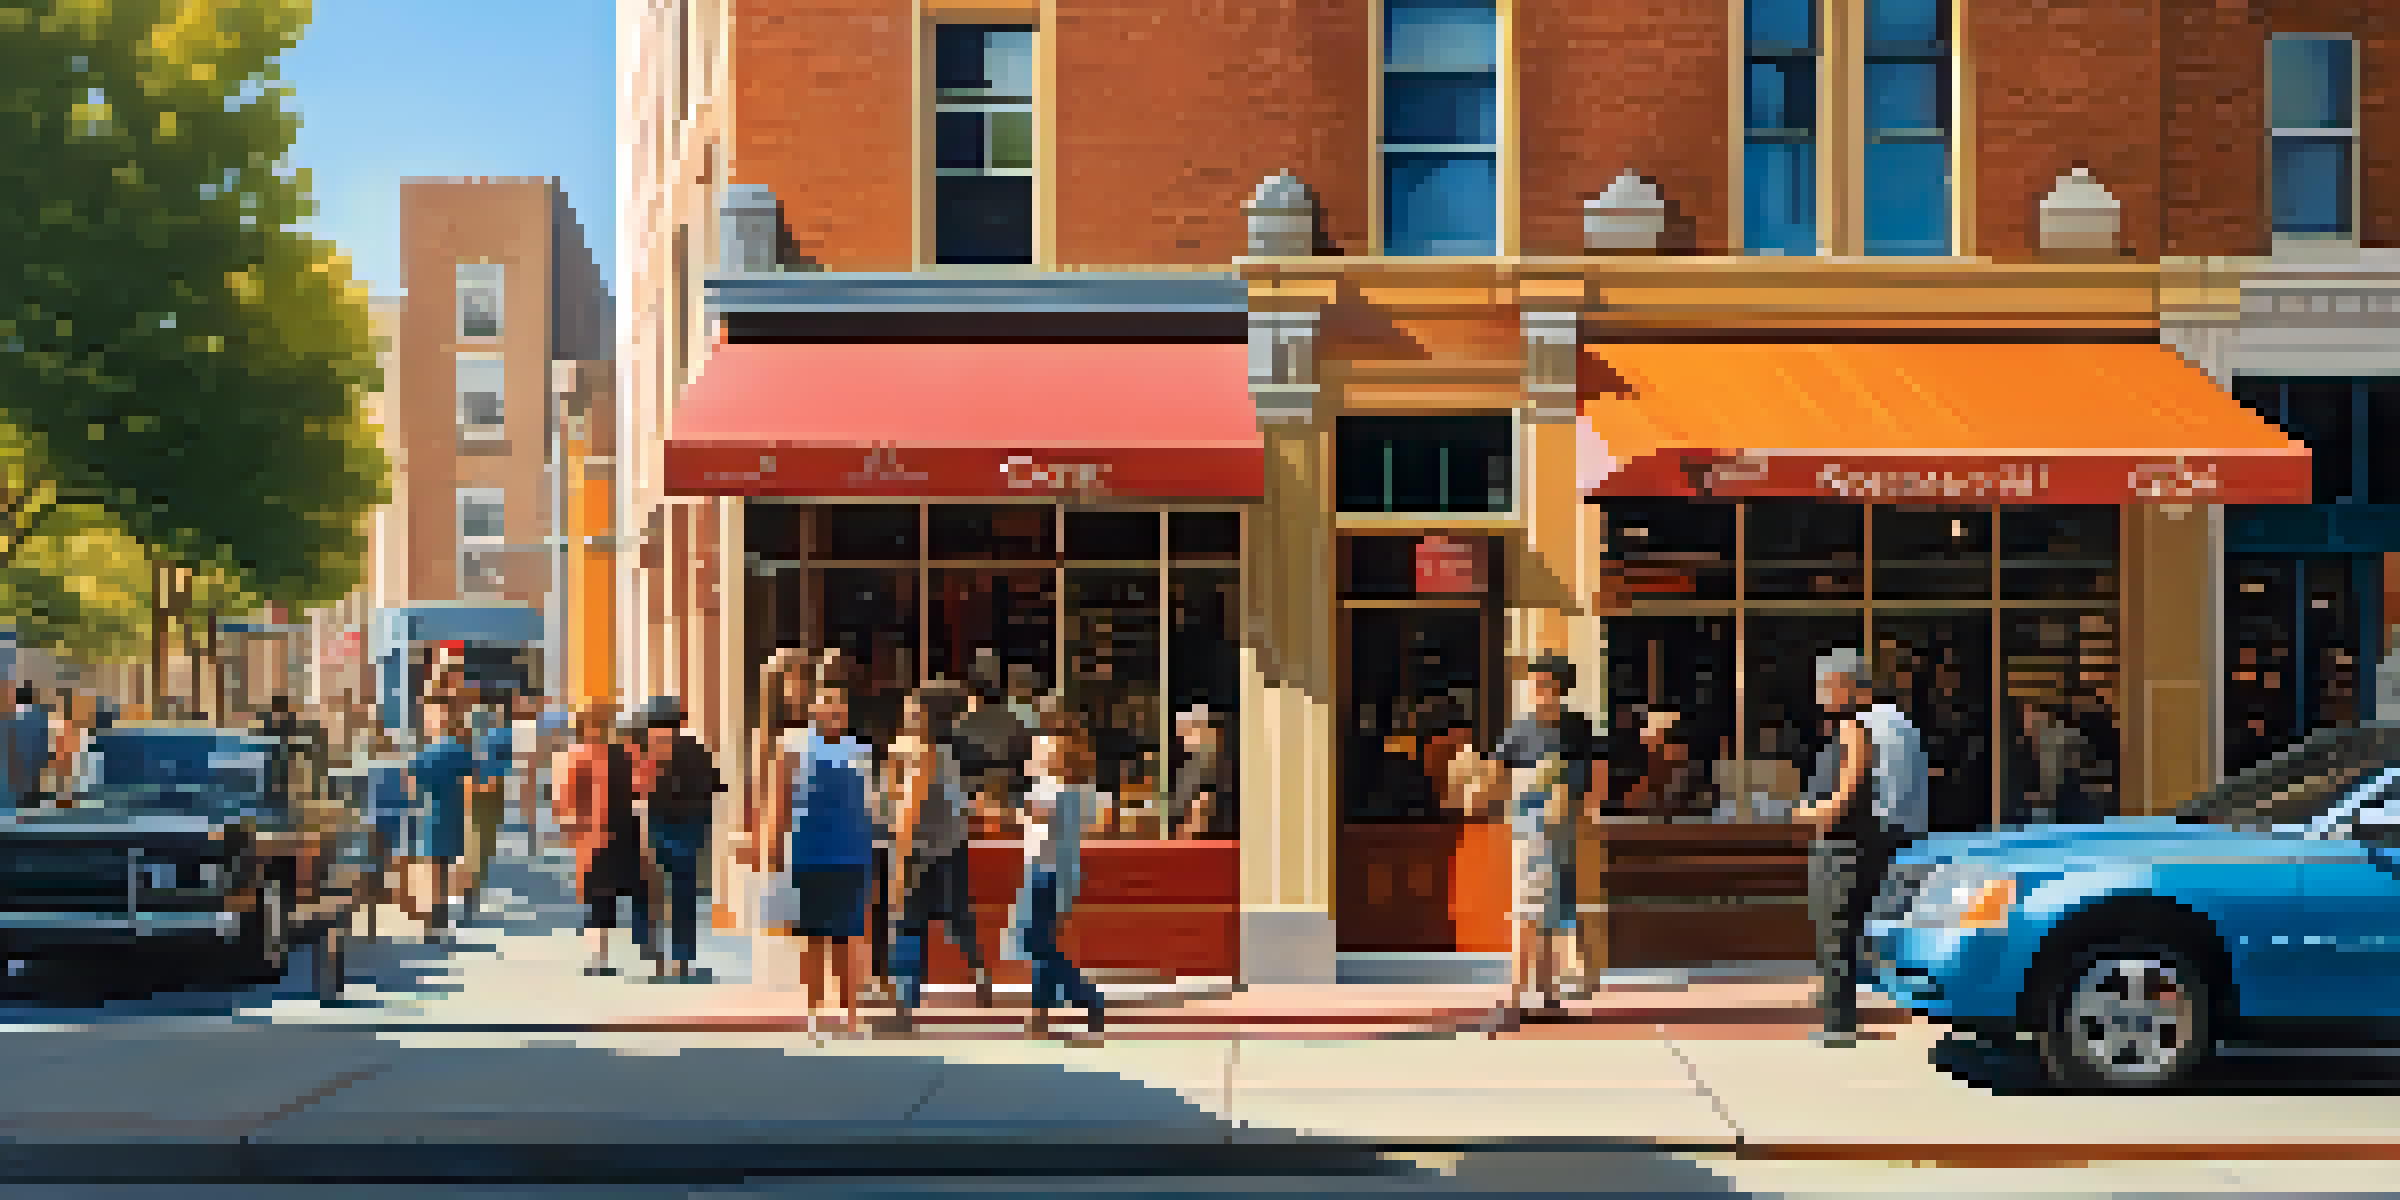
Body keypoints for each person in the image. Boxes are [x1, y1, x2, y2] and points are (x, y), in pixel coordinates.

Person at [1789, 649, 1928, 1048]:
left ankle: (1837, 1024)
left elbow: (1846, 795)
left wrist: (1803, 813)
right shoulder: (1902, 725)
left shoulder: (1857, 725)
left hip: (1848, 844)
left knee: (1835, 933)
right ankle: (1849, 1008)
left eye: (1826, 685)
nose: (1820, 695)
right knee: (1866, 932)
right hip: (1891, 840)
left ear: (1849, 685)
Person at [1463, 653, 1604, 1019]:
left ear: (1560, 687)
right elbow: (1494, 776)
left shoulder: (1578, 729)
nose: (1539, 690)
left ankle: (1549, 994)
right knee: (1526, 912)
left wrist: (1584, 808)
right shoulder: (1519, 730)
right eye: (1535, 683)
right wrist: (1474, 783)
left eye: (1545, 683)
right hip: (1527, 832)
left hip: (1565, 832)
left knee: (1555, 915)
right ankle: (1515, 995)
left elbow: (1594, 778)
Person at [763, 675, 878, 1038]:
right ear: (813, 708)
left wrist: (876, 856)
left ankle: (851, 1015)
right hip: (808, 856)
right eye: (826, 703)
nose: (833, 710)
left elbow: (871, 807)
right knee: (813, 939)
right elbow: (779, 801)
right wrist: (772, 850)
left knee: (848, 939)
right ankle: (814, 1013)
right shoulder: (792, 746)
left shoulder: (860, 751)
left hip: (852, 856)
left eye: (839, 704)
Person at [884, 680, 988, 1030]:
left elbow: (908, 811)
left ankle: (904, 1008)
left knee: (908, 927)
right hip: (951, 850)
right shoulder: (948, 755)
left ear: (927, 717)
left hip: (920, 853)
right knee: (957, 920)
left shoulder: (925, 757)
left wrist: (900, 862)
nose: (907, 719)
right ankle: (979, 972)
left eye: (913, 713)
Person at [1008, 708, 1107, 1045]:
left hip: (1045, 871)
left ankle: (1087, 996)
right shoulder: (1079, 789)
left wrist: (1021, 799)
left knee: (1035, 944)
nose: (1039, 749)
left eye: (1044, 745)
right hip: (1056, 870)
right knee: (1042, 945)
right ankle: (1040, 1014)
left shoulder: (1053, 787)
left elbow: (1035, 816)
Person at [633, 695, 722, 981]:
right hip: (688, 832)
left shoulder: (648, 752)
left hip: (657, 829)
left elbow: (638, 792)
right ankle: (681, 959)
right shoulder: (696, 749)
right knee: (683, 895)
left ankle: (653, 953)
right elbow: (715, 785)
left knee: (651, 893)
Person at [557, 701, 649, 975]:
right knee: (610, 895)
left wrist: (571, 826)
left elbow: (565, 803)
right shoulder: (620, 754)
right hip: (610, 834)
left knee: (603, 896)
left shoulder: (580, 756)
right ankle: (605, 955)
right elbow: (642, 790)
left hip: (604, 835)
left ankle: (602, 957)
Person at [401, 694, 477, 944]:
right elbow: (473, 782)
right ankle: (447, 914)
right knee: (448, 867)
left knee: (435, 870)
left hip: (432, 817)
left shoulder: (424, 755)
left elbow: (411, 787)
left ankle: (435, 922)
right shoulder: (460, 751)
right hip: (454, 816)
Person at [953, 669, 1031, 840]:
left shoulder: (966, 725)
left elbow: (960, 766)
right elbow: (1025, 764)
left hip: (976, 801)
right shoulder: (1016, 723)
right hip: (1010, 799)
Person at [459, 691, 511, 922]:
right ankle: (471, 892)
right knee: (480, 844)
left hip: (479, 793)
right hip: (485, 793)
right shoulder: (499, 734)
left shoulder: (481, 734)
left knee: (477, 844)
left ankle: (471, 893)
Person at [1169, 705, 1238, 841]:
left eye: (1189, 729)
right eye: (1182, 730)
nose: (1182, 735)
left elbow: (1202, 803)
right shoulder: (1190, 764)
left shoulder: (1214, 764)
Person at [14, 684, 51, 808]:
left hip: (21, 755)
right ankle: (32, 801)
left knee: (22, 780)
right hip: (35, 754)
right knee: (33, 779)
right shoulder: (40, 715)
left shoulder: (15, 715)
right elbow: (44, 736)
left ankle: (24, 802)